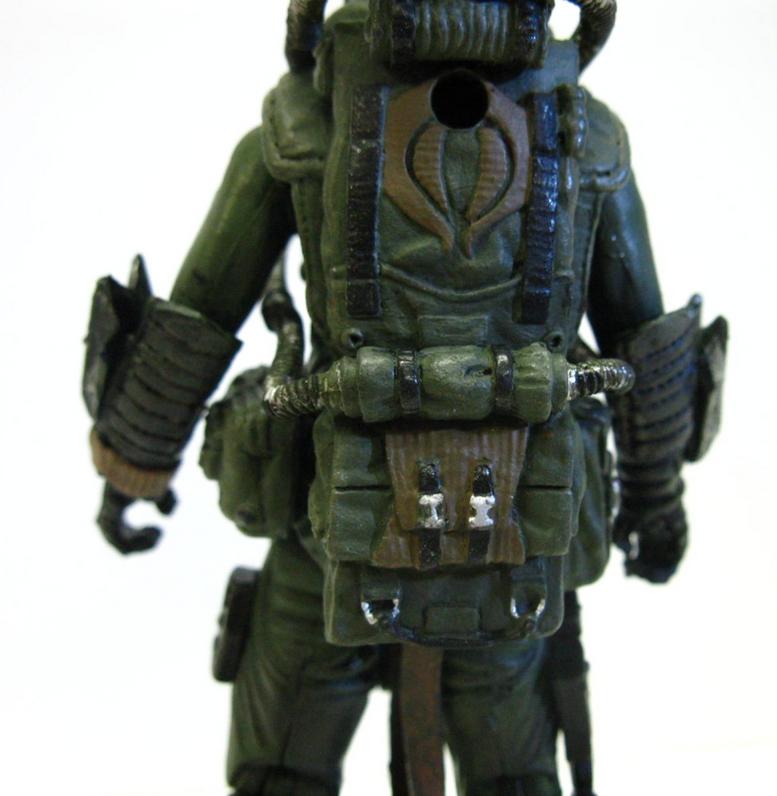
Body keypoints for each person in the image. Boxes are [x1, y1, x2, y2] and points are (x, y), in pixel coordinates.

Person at [83, 2, 725, 794]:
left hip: (335, 535)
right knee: (508, 770)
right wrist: (655, 500)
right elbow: (642, 344)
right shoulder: (584, 140)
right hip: (508, 539)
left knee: (284, 767)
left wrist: (133, 468)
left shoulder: (303, 130)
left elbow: (199, 315)